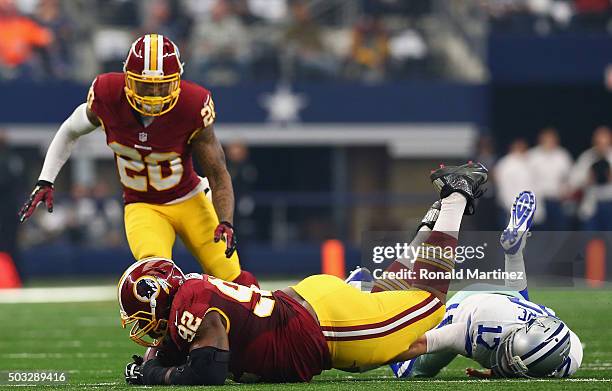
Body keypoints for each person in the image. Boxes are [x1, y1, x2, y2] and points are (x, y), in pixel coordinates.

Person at [118, 162, 488, 385]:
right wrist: (155, 360)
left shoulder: (191, 306)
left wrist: (153, 375)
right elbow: (238, 294)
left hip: (327, 328)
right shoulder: (193, 295)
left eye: (143, 317)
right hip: (314, 305)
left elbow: (207, 373)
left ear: (164, 296)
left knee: (428, 305)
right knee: (387, 317)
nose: (145, 327)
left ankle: (456, 197)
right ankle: (437, 213)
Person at [18, 34, 256, 287]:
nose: (153, 94)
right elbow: (69, 130)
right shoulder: (107, 94)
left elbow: (218, 173)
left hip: (190, 199)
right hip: (143, 205)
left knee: (234, 279)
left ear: (176, 82)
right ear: (128, 78)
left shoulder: (192, 105)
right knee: (155, 284)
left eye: (161, 85)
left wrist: (226, 220)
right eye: (145, 85)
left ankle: (261, 325)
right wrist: (46, 179)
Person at [349, 191, 582, 379]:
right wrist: (369, 351)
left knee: (521, 301)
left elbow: (521, 316)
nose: (506, 361)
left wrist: (495, 372)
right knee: (411, 368)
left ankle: (514, 254)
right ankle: (362, 290)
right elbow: (418, 344)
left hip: (504, 297)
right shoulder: (484, 332)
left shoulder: (568, 351)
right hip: (465, 310)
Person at [527, 128, 572, 230]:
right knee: (540, 231)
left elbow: (569, 178)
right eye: (546, 140)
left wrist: (565, 191)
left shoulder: (562, 156)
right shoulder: (532, 156)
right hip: (538, 201)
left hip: (557, 201)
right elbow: (526, 179)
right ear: (540, 140)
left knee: (559, 230)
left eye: (552, 140)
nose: (549, 143)